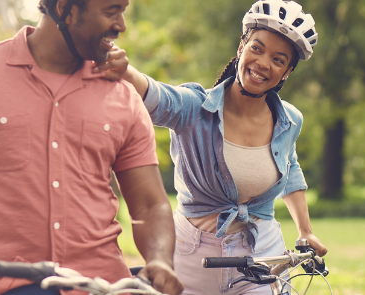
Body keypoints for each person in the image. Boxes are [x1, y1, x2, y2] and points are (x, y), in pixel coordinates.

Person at [0, 0, 183, 294]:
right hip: (9, 285)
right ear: (65, 9)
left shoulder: (123, 96)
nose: (120, 25)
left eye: (122, 11)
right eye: (111, 11)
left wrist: (160, 261)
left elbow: (150, 205)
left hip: (102, 284)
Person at [94, 0, 328, 293]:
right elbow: (157, 96)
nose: (263, 63)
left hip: (261, 252)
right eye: (257, 48)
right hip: (192, 254)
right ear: (241, 46)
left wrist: (306, 232)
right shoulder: (195, 107)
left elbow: (289, 167)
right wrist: (126, 72)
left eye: (278, 60)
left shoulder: (289, 120)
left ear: (288, 71)